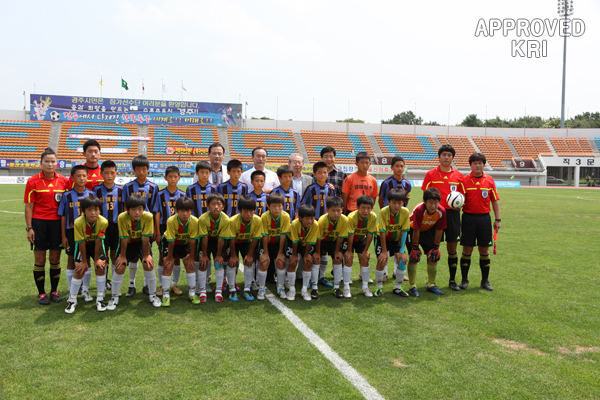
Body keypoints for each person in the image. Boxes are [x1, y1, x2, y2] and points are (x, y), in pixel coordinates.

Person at [24, 147, 70, 305]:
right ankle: (42, 293)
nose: (50, 164)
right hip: (39, 224)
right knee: (40, 259)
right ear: (41, 163)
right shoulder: (32, 181)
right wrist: (29, 228)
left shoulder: (64, 181)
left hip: (57, 224)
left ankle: (54, 291)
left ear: (57, 163)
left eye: (53, 161)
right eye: (47, 161)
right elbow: (29, 206)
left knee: (55, 259)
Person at [421, 145, 464, 291]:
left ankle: (452, 280)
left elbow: (463, 197)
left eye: (449, 155)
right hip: (435, 214)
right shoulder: (430, 174)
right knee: (432, 247)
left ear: (453, 158)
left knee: (452, 248)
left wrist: (460, 205)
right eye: (444, 154)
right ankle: (430, 282)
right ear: (439, 156)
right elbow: (424, 197)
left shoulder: (459, 176)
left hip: (452, 215)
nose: (446, 157)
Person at [108, 194, 162, 310]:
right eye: (133, 209)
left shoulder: (148, 216)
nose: (137, 212)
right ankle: (114, 297)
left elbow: (145, 237)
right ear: (127, 210)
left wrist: (147, 255)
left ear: (144, 209)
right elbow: (123, 238)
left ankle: (153, 295)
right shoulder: (122, 217)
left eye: (140, 209)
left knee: (148, 264)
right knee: (120, 266)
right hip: (127, 244)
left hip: (141, 243)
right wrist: (122, 256)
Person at [459, 152, 501, 291]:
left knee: (484, 250)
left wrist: (497, 219)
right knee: (467, 249)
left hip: (484, 218)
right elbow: (460, 201)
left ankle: (485, 281)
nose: (477, 165)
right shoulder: (464, 180)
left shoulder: (489, 180)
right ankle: (464, 280)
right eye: (475, 163)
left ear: (484, 164)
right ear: (470, 165)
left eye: (480, 163)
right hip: (468, 218)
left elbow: (494, 200)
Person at [121, 155, 160, 297]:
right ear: (134, 170)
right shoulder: (128, 187)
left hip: (147, 226)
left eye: (144, 169)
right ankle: (131, 284)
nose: (141, 172)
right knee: (133, 257)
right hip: (131, 226)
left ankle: (146, 284)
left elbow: (155, 209)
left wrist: (156, 229)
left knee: (146, 254)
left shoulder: (154, 187)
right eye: (138, 169)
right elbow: (125, 208)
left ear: (148, 170)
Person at [64, 196, 109, 313]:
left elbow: (99, 241)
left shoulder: (103, 222)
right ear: (83, 211)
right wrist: (84, 261)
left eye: (96, 209)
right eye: (89, 210)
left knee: (100, 267)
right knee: (79, 269)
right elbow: (81, 242)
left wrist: (96, 260)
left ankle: (100, 298)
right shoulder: (78, 222)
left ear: (100, 210)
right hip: (83, 245)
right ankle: (72, 299)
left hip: (96, 245)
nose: (93, 213)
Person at [59, 165, 93, 300]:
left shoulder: (92, 195)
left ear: (88, 177)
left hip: (88, 232)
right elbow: (63, 216)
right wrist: (63, 236)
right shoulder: (67, 196)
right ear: (72, 178)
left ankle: (85, 290)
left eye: (84, 175)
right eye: (78, 176)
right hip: (71, 232)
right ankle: (71, 289)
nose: (81, 178)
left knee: (87, 260)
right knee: (71, 260)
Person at [406, 188, 447, 297]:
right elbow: (416, 229)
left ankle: (431, 284)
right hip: (411, 230)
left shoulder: (441, 211)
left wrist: (436, 246)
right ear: (425, 201)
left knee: (433, 255)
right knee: (414, 256)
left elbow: (439, 230)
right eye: (430, 202)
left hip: (427, 230)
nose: (433, 206)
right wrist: (415, 247)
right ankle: (412, 286)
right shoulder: (420, 210)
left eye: (436, 202)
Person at [186, 161, 219, 295]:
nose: (204, 175)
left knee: (209, 254)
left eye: (207, 172)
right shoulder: (191, 189)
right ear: (197, 173)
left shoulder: (214, 188)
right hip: (198, 227)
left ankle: (206, 281)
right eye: (202, 172)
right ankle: (200, 282)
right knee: (199, 255)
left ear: (210, 173)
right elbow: (189, 207)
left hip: (212, 228)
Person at [301, 161, 335, 288]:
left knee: (324, 251)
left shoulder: (330, 190)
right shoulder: (310, 189)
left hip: (326, 224)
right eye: (319, 172)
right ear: (314, 174)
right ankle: (309, 278)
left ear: (327, 174)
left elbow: (334, 206)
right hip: (312, 224)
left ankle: (321, 277)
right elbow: (303, 204)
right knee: (311, 250)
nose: (322, 174)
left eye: (325, 172)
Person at [161, 197, 200, 306]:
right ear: (177, 210)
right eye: (182, 211)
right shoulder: (171, 220)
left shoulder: (195, 221)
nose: (185, 213)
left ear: (191, 211)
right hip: (170, 243)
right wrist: (169, 256)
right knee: (168, 265)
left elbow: (193, 240)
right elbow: (171, 241)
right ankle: (165, 295)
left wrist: (191, 256)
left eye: (188, 211)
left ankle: (192, 293)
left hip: (185, 243)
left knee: (189, 263)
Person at [379, 156, 412, 282]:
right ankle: (384, 273)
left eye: (402, 166)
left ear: (404, 167)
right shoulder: (386, 183)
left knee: (398, 245)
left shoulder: (408, 184)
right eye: (397, 166)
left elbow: (406, 201)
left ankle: (397, 272)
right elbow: (381, 200)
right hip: (387, 218)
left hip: (400, 219)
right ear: (391, 167)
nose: (399, 168)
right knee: (386, 245)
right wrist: (385, 212)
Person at [155, 166, 186, 298]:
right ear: (165, 178)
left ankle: (175, 283)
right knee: (163, 256)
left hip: (180, 228)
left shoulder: (183, 195)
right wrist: (157, 231)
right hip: (164, 228)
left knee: (177, 256)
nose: (173, 179)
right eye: (170, 176)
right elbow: (156, 213)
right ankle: (162, 284)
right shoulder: (160, 195)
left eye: (175, 176)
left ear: (179, 178)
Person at [93, 160, 123, 292]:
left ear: (116, 173)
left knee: (115, 255)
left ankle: (114, 284)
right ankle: (104, 282)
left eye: (112, 173)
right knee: (103, 256)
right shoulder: (96, 190)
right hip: (102, 228)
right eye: (106, 173)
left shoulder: (122, 190)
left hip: (117, 227)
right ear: (101, 174)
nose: (109, 175)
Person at [227, 196, 264, 301]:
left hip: (247, 243)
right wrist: (234, 256)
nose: (249, 214)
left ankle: (247, 289)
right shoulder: (233, 221)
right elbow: (230, 239)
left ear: (254, 210)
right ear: (240, 211)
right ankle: (231, 289)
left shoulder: (257, 220)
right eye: (245, 211)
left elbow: (256, 238)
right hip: (233, 243)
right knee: (232, 263)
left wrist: (249, 255)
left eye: (251, 211)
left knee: (249, 262)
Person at [198, 193, 233, 303]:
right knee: (203, 263)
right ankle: (202, 290)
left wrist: (218, 255)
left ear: (223, 206)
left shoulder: (226, 219)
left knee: (219, 263)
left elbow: (222, 239)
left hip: (219, 242)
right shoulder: (203, 218)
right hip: (206, 242)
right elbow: (203, 238)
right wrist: (204, 255)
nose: (216, 206)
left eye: (219, 204)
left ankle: (218, 291)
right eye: (213, 204)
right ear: (207, 206)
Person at [375, 189, 410, 297]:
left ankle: (397, 288)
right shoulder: (383, 211)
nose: (397, 205)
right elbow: (382, 232)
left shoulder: (405, 212)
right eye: (394, 202)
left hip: (396, 240)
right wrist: (385, 252)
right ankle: (378, 287)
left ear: (403, 203)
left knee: (402, 261)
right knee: (382, 260)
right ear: (388, 202)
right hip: (382, 239)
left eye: (399, 203)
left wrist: (402, 251)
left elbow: (404, 232)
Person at [342, 195, 378, 298]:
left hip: (361, 239)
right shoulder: (351, 217)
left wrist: (365, 250)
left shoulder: (373, 216)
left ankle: (365, 287)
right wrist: (349, 250)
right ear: (358, 207)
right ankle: (346, 288)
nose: (366, 211)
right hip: (349, 239)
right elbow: (350, 234)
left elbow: (370, 233)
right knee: (349, 259)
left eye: (369, 208)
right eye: (363, 207)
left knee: (365, 258)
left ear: (372, 208)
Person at [258, 193, 291, 300]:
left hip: (278, 244)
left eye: (279, 206)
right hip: (266, 244)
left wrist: (281, 252)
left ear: (283, 206)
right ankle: (261, 288)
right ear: (268, 206)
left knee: (280, 261)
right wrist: (266, 253)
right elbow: (265, 235)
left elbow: (283, 235)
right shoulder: (264, 216)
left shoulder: (285, 216)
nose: (277, 209)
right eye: (274, 206)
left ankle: (280, 287)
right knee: (264, 261)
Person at [316, 197, 348, 300]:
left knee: (338, 258)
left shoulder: (344, 220)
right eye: (333, 210)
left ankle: (336, 287)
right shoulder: (322, 220)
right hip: (322, 241)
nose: (336, 213)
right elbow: (318, 238)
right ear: (327, 210)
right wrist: (317, 252)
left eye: (338, 210)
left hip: (334, 242)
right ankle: (313, 285)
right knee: (316, 258)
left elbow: (340, 237)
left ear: (342, 209)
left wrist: (337, 252)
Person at [286, 204, 321, 301]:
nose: (310, 221)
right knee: (292, 262)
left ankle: (304, 289)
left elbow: (310, 241)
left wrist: (306, 255)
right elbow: (294, 241)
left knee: (308, 262)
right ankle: (291, 289)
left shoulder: (315, 224)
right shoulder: (294, 224)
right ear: (300, 218)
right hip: (294, 243)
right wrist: (294, 255)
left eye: (312, 218)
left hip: (306, 244)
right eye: (307, 218)